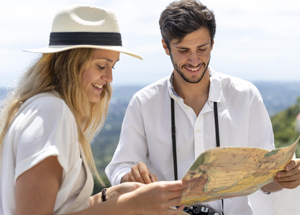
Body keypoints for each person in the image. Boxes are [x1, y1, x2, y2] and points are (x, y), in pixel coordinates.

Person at [105, 0, 300, 214]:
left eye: (202, 48)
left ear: (212, 44)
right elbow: (120, 167)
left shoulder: (246, 96)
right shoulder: (143, 102)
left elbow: (266, 180)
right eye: (183, 50)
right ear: (165, 47)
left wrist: (286, 178)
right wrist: (129, 175)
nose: (194, 60)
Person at [0, 5, 189, 215]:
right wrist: (132, 205)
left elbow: (62, 208)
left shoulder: (39, 108)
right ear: (70, 63)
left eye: (113, 66)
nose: (109, 78)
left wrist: (111, 196)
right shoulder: (51, 112)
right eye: (101, 66)